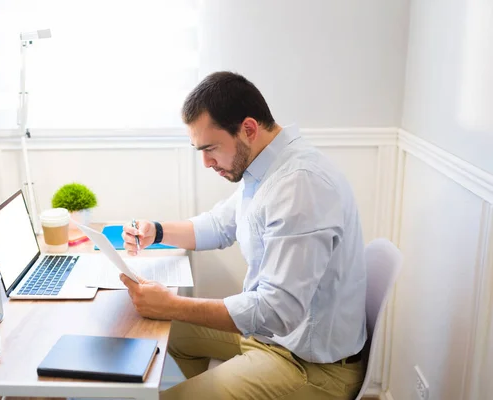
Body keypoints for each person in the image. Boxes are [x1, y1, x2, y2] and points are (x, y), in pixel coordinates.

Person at [120, 71, 367, 400]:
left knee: (168, 380)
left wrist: (173, 304)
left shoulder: (300, 185)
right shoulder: (267, 166)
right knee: (162, 333)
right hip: (274, 340)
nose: (207, 162)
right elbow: (222, 225)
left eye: (211, 149)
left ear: (248, 129)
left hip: (310, 366)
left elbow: (276, 312)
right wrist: (158, 231)